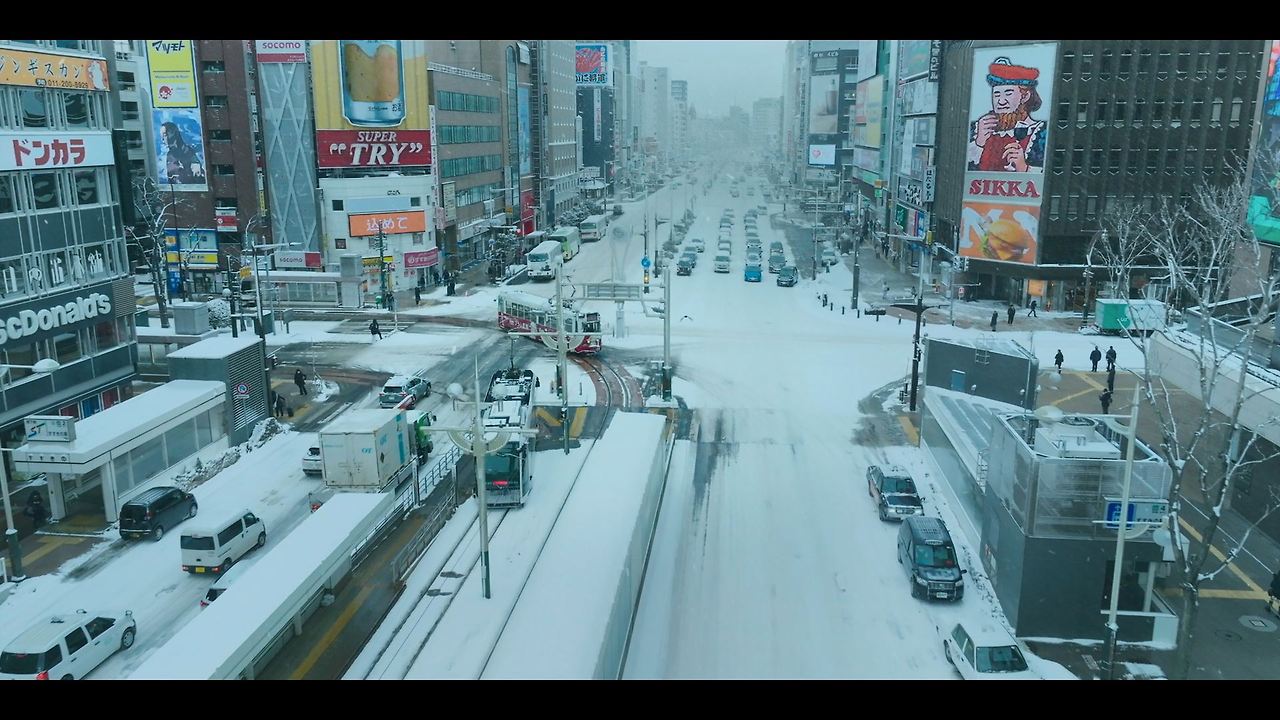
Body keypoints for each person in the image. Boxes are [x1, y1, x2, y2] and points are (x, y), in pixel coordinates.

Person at [967, 56, 1048, 173]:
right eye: (997, 94)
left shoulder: (1041, 133)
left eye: (1008, 93)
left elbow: (1049, 173)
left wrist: (1023, 168)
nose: (1001, 101)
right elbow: (959, 170)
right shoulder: (977, 129)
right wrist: (978, 143)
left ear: (1025, 96)